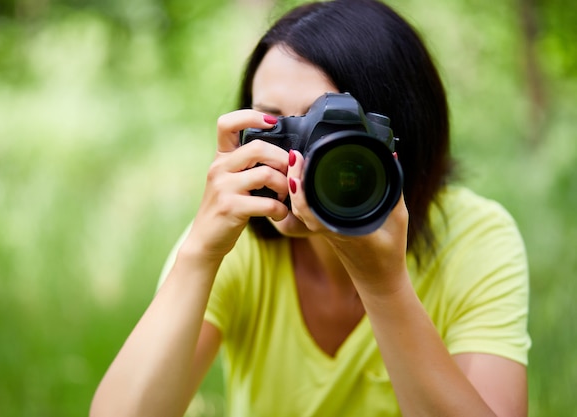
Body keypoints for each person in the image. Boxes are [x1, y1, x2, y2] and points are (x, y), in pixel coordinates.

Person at [90, 0, 530, 416]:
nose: (296, 162)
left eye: (325, 131)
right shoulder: (235, 241)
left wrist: (385, 287)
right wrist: (199, 254)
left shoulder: (473, 237)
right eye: (277, 127)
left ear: (398, 136)